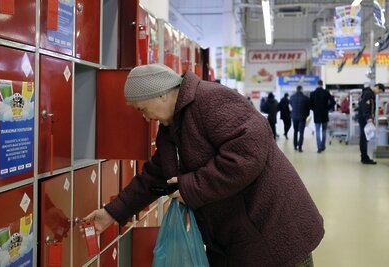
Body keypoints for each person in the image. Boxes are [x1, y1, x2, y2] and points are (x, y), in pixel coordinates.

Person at [81, 64, 324, 266]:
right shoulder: (171, 127)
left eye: (143, 109)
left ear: (161, 94)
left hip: (273, 233)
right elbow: (155, 176)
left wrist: (191, 187)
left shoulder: (210, 100)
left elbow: (248, 153)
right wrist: (111, 212)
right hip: (237, 239)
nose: (145, 118)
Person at [358, 83, 385, 164]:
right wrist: (368, 118)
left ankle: (364, 156)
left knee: (365, 138)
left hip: (365, 119)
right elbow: (365, 106)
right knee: (364, 138)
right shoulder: (368, 93)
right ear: (377, 87)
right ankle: (364, 158)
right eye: (379, 91)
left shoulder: (369, 93)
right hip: (364, 119)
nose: (378, 93)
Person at [310, 80, 335, 153]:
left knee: (317, 131)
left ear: (317, 84)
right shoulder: (326, 92)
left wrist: (314, 109)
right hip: (324, 115)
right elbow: (333, 102)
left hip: (316, 115)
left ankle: (319, 148)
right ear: (322, 84)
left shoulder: (313, 93)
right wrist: (327, 108)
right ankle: (323, 145)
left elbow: (310, 105)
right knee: (324, 131)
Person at [290, 85, 310, 152]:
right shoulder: (305, 98)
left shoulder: (292, 97)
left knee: (295, 132)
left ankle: (295, 146)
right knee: (301, 132)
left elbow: (291, 105)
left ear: (296, 89)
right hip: (302, 117)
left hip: (294, 117)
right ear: (301, 89)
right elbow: (308, 108)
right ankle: (300, 147)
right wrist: (306, 115)